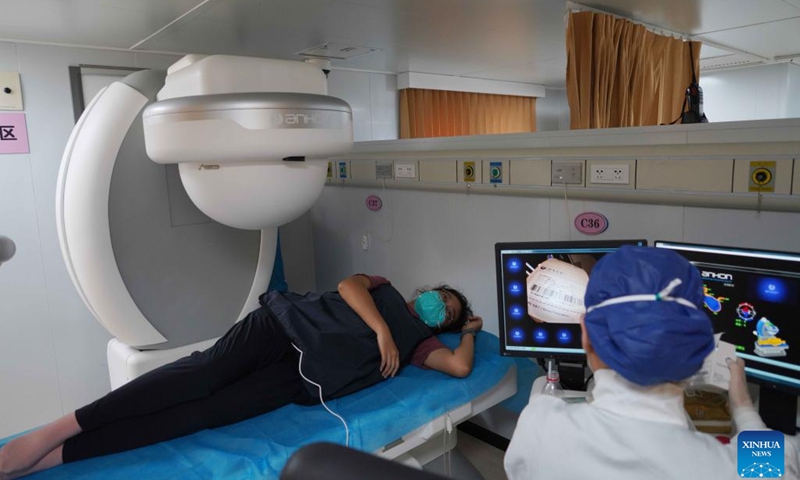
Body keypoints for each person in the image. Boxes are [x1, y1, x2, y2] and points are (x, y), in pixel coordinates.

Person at [0, 274, 483, 480]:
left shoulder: (424, 345)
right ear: (425, 289)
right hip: (279, 328)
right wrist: (381, 330)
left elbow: (460, 367)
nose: (438, 304)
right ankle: (59, 429)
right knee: (201, 376)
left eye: (447, 310)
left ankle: (57, 457)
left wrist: (471, 331)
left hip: (299, 379)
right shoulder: (385, 289)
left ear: (441, 322)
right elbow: (346, 286)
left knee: (201, 414)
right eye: (440, 295)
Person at [504, 246, 799, 480]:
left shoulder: (539, 426)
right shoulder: (731, 469)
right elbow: (778, 460)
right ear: (696, 347)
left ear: (586, 335)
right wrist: (744, 407)